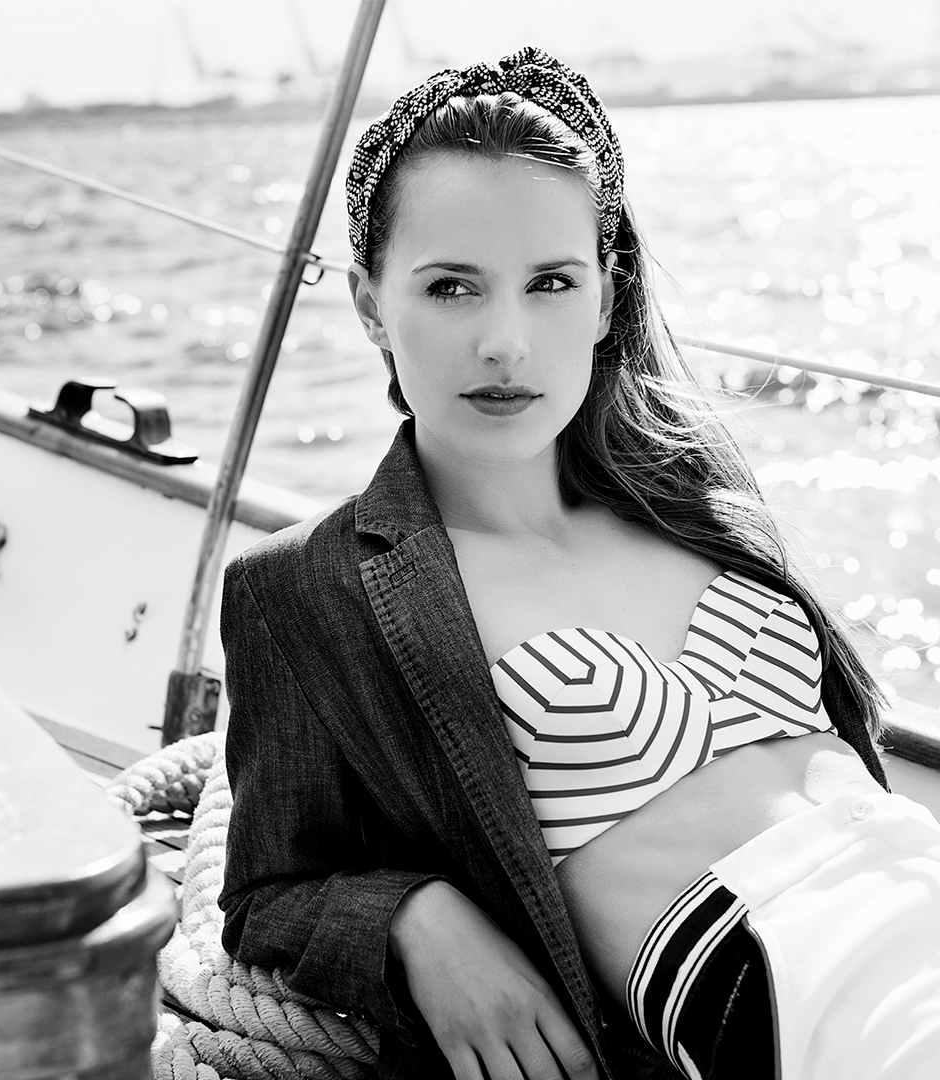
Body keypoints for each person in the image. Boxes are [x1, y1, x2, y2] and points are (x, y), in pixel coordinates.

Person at [217, 47, 940, 1080]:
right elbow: (269, 893)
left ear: (604, 303)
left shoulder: (692, 507)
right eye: (453, 286)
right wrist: (415, 920)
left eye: (551, 282)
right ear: (374, 307)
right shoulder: (309, 587)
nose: (506, 341)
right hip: (795, 991)